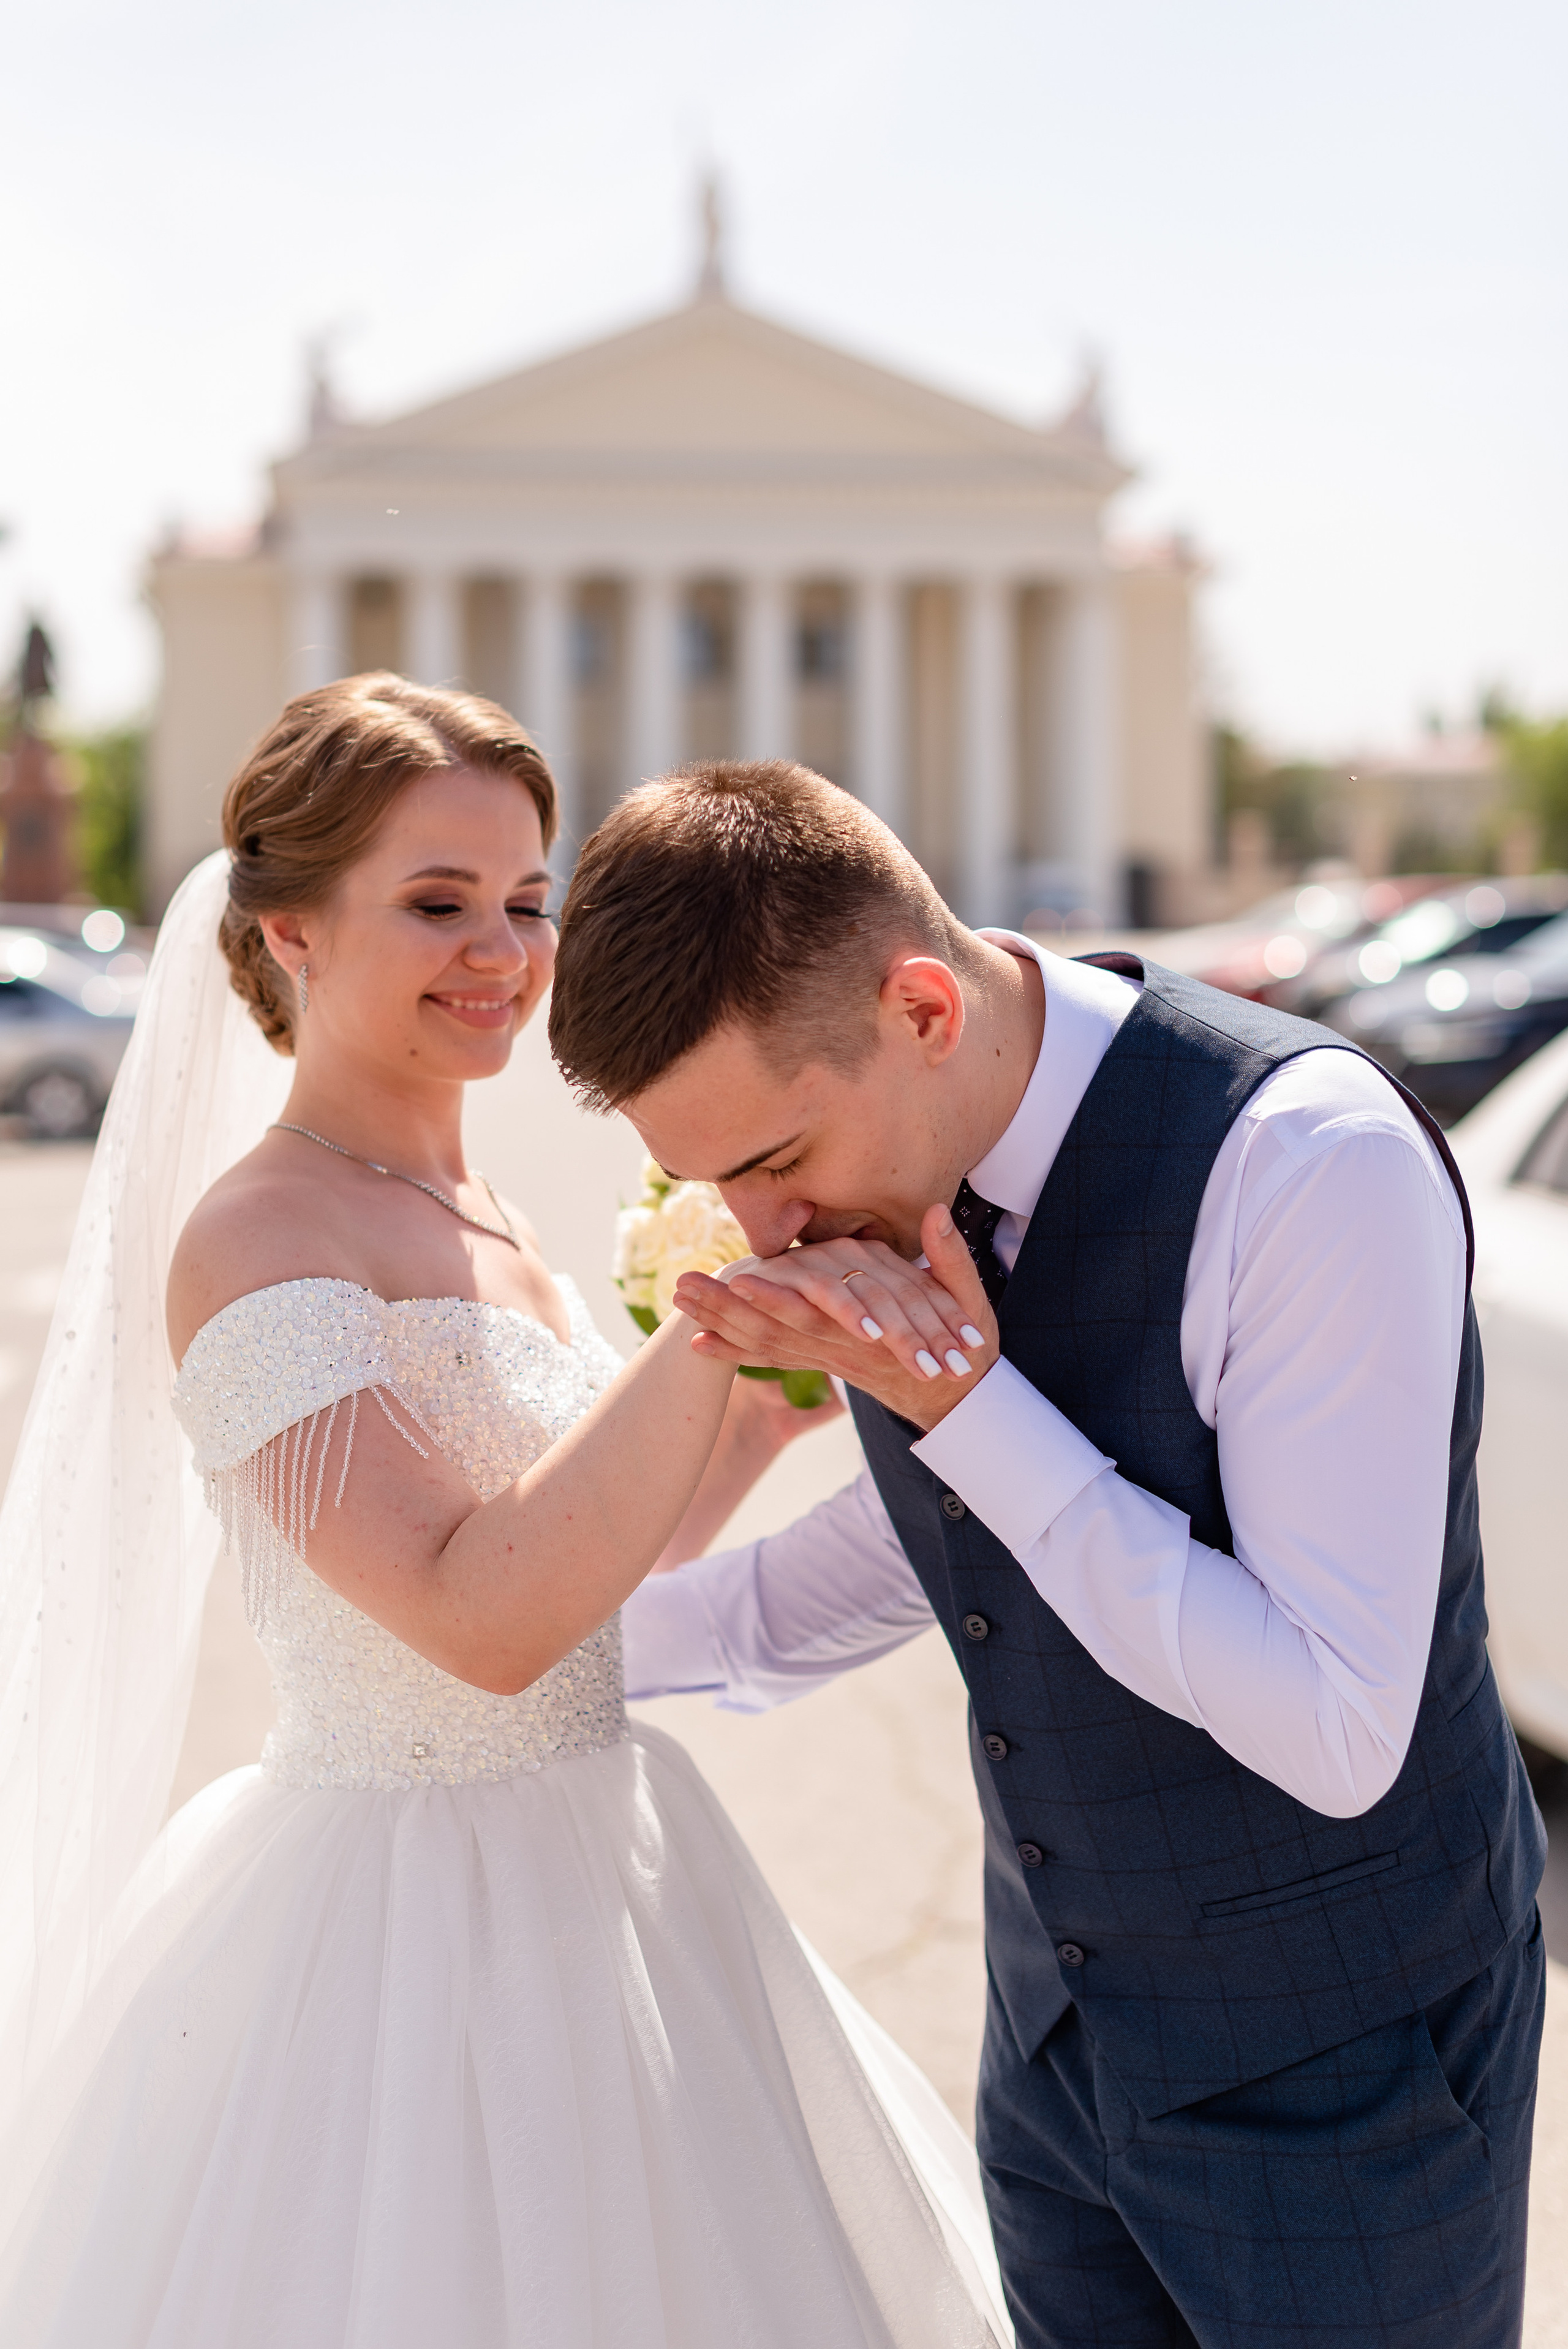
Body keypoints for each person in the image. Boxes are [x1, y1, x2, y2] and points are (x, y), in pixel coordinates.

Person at [0, 678, 1012, 2348]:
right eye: (439, 902)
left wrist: (784, 1377)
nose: (505, 948)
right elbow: (479, 1618)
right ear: (290, 933)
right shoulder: (258, 1237)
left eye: (527, 900)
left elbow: (614, 1540)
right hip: (390, 1932)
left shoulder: (487, 1213)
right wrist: (713, 1315)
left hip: (607, 1861)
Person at [548, 757, 1550, 2349]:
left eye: (775, 1161)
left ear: (926, 1012)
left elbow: (1338, 1723)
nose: (759, 1230)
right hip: (1057, 2070)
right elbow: (930, 1542)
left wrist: (972, 1403)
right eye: (715, 1177)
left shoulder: (1302, 1163)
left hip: (1349, 2080)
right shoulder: (889, 1177)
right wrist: (520, 1655)